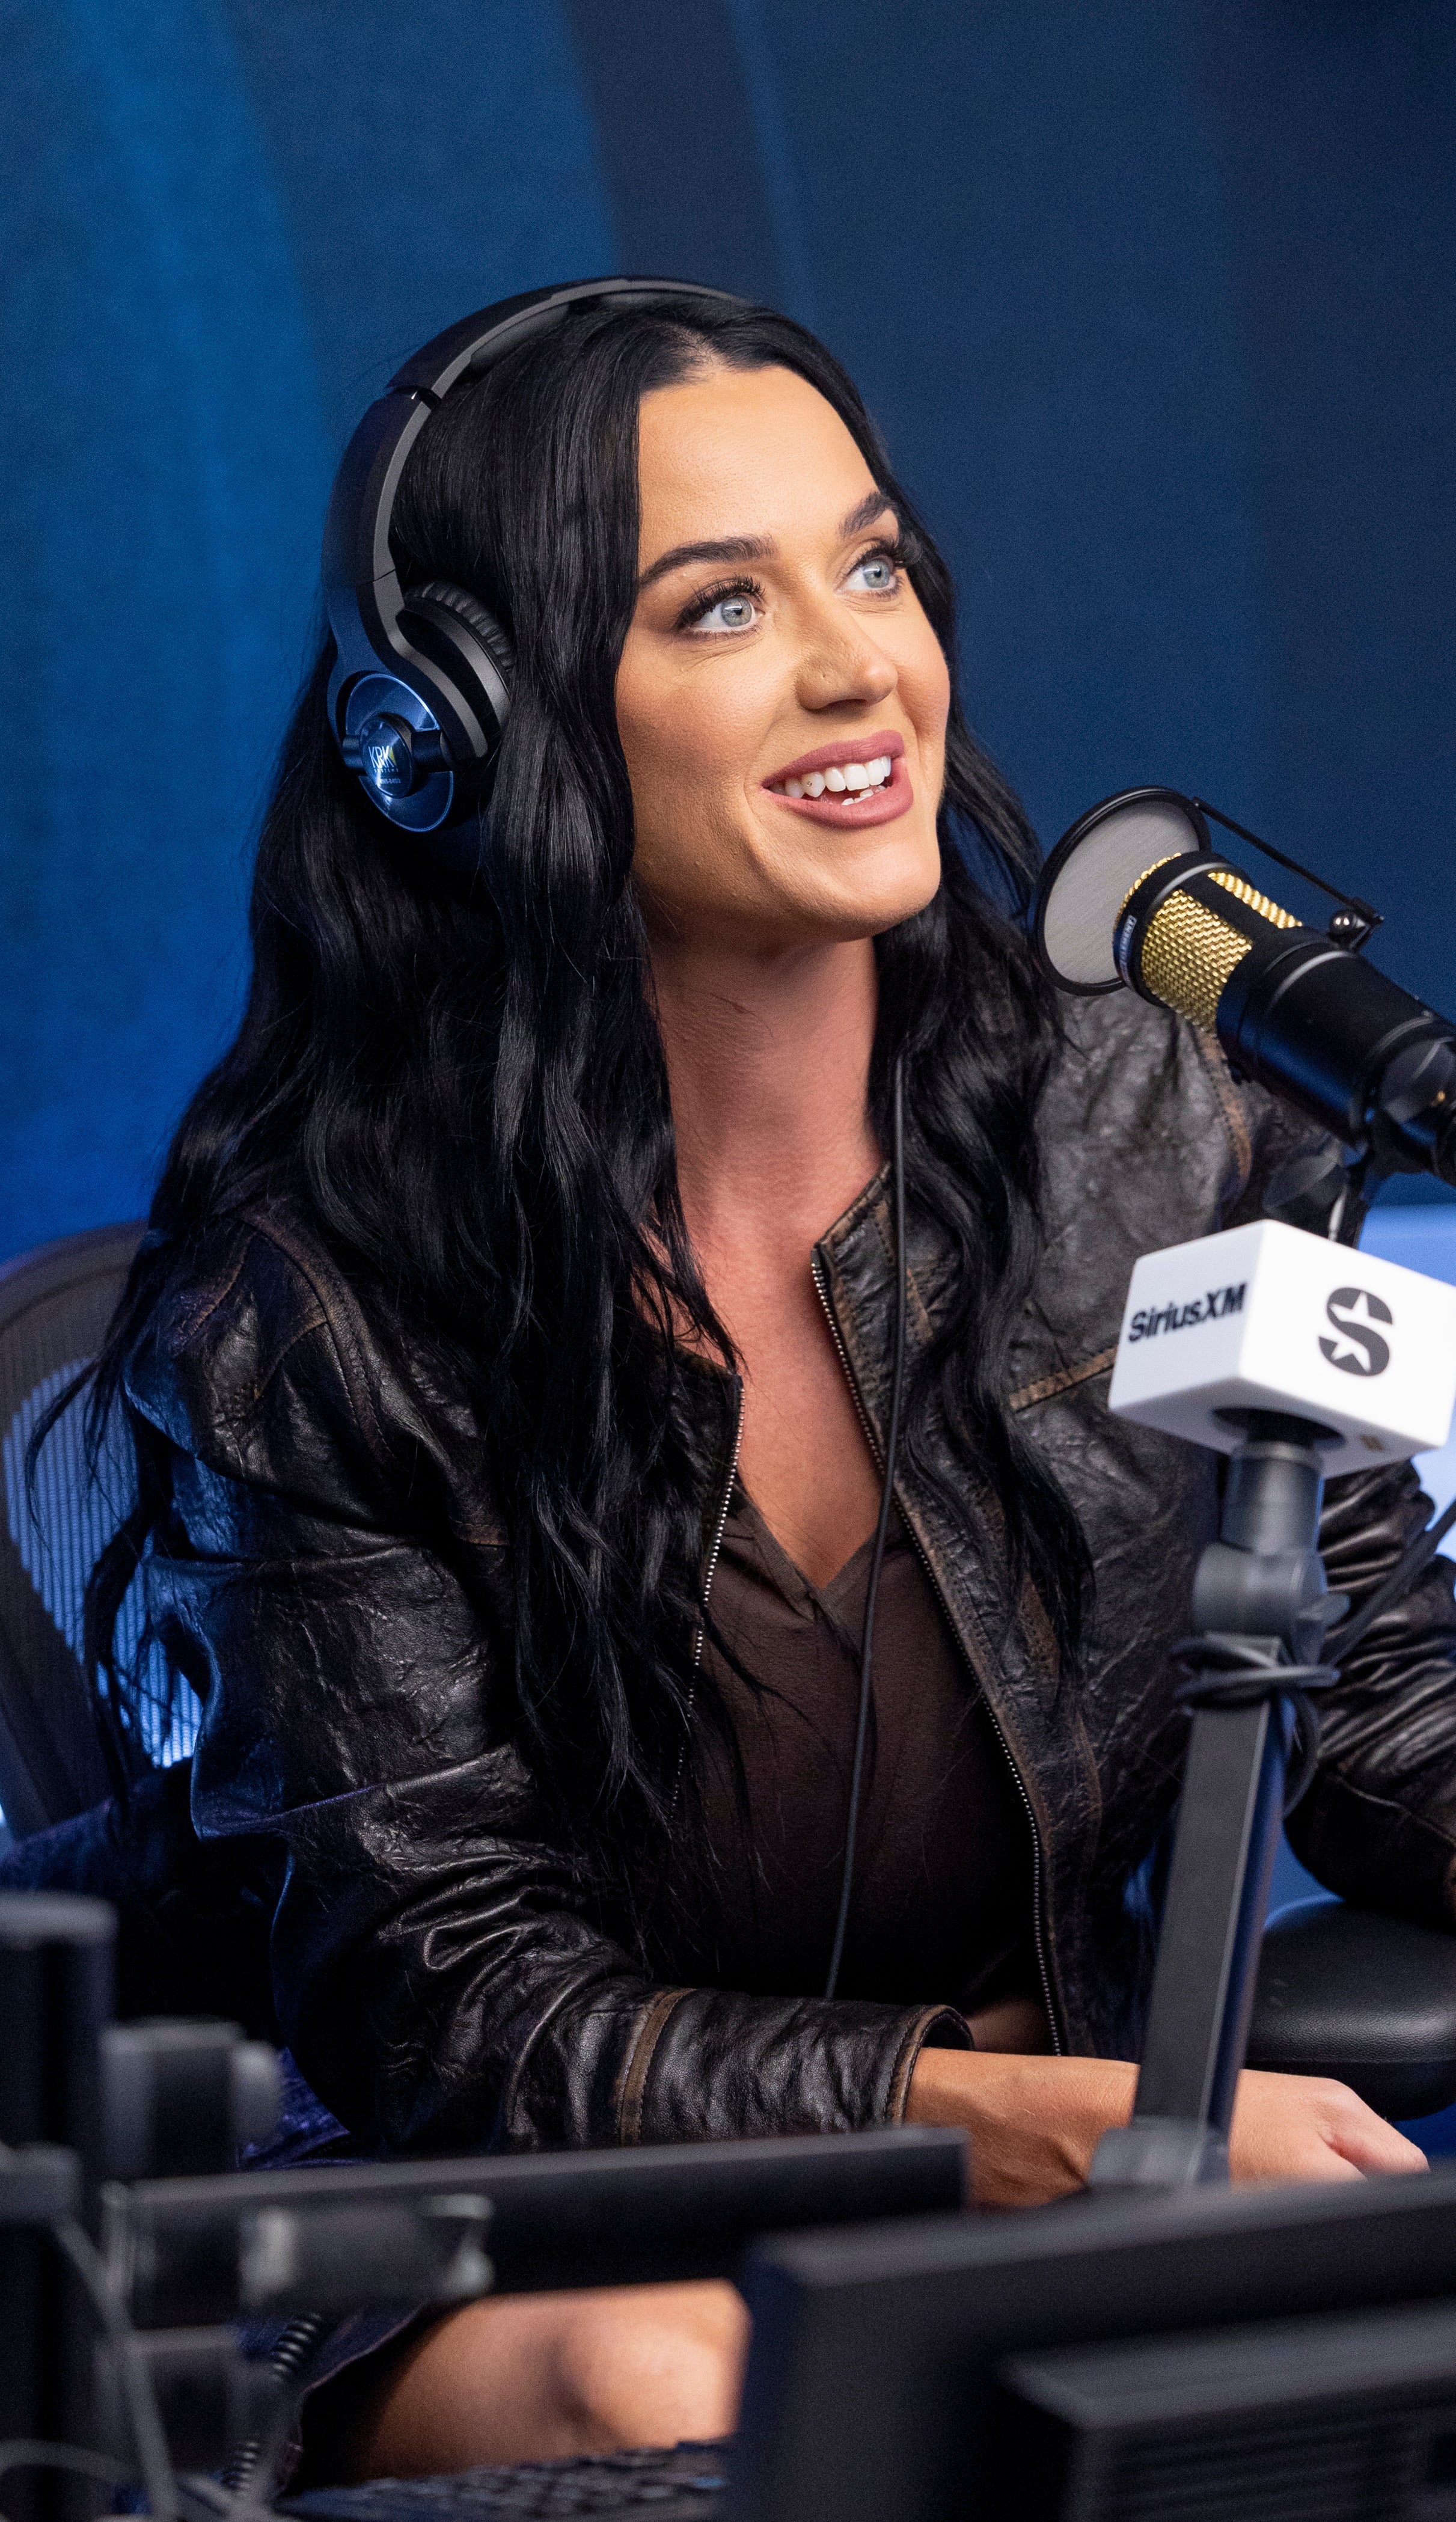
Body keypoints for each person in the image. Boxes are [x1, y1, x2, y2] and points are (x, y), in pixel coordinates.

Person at [52, 288, 1456, 2473]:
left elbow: (1376, 1706)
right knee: (699, 2389)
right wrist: (1042, 2125)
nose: (857, 668)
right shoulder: (310, 1324)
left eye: (875, 565)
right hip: (476, 2223)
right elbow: (465, 2015)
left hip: (1033, 2190)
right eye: (719, 607)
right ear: (467, 729)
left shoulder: (1164, 1134)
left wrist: (1066, 2141)